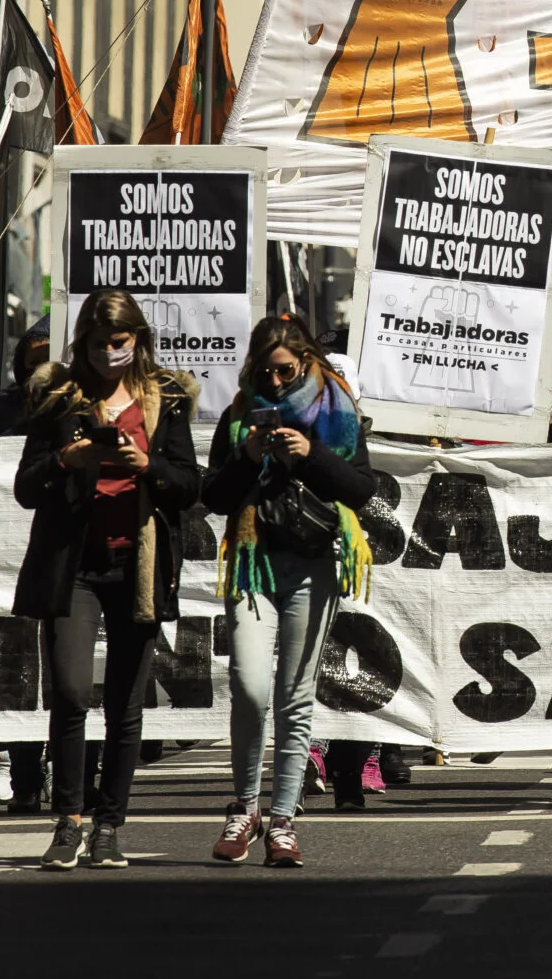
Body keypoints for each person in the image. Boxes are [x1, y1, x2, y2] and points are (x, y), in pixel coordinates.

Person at [11, 290, 201, 870]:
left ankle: (109, 825)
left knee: (125, 706)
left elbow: (190, 486)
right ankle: (67, 819)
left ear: (137, 340)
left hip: (137, 567)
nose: (107, 355)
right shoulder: (60, 399)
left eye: (118, 344)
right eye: (97, 345)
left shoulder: (164, 400)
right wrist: (66, 460)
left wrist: (150, 467)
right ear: (82, 345)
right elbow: (26, 487)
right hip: (76, 567)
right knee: (69, 693)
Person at [204, 315, 375, 867]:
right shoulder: (237, 417)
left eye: (284, 371)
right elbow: (214, 496)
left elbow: (361, 489)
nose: (274, 383)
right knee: (250, 685)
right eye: (263, 372)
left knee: (295, 695)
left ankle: (282, 819)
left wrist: (309, 454)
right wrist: (248, 457)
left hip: (314, 562)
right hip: (254, 563)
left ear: (305, 362)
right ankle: (244, 807)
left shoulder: (337, 408)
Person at [0, 318, 54, 808]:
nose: (42, 366)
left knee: (73, 676)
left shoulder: (91, 408)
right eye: (34, 357)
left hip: (68, 557)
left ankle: (75, 780)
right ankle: (23, 775)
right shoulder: (6, 409)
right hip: (8, 556)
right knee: (21, 668)